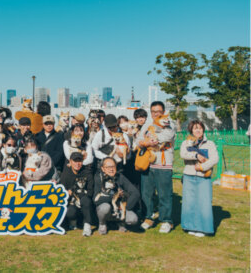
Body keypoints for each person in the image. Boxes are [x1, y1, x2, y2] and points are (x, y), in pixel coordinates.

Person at [137, 101, 176, 233]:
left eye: (158, 111)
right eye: (153, 111)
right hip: (148, 163)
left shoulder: (169, 124)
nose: (156, 114)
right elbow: (138, 140)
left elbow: (167, 136)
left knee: (164, 194)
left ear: (163, 112)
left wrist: (147, 139)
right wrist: (145, 141)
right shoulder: (147, 125)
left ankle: (166, 220)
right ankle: (149, 217)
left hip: (163, 164)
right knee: (146, 194)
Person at [179, 119, 219, 237]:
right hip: (189, 176)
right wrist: (196, 155)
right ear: (191, 130)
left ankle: (203, 228)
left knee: (204, 202)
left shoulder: (210, 144)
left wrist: (202, 167)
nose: (198, 130)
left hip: (204, 177)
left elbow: (214, 158)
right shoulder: (186, 143)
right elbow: (183, 154)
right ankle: (189, 226)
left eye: (200, 128)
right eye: (195, 128)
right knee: (189, 201)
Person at [93, 157, 141, 234]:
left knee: (133, 219)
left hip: (120, 208)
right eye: (108, 167)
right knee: (104, 208)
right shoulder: (98, 178)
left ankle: (120, 222)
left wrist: (126, 208)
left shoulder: (120, 177)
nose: (111, 169)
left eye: (113, 166)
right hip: (107, 207)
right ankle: (102, 224)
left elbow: (135, 193)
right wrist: (114, 197)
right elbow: (96, 200)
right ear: (102, 168)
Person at [60, 151, 96, 235]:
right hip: (72, 201)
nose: (77, 163)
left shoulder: (87, 172)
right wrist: (67, 193)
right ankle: (73, 221)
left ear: (82, 161)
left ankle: (87, 225)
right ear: (70, 161)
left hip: (84, 198)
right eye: (75, 161)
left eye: (79, 161)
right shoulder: (65, 174)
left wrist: (76, 193)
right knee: (70, 212)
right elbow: (62, 191)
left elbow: (90, 191)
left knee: (85, 200)